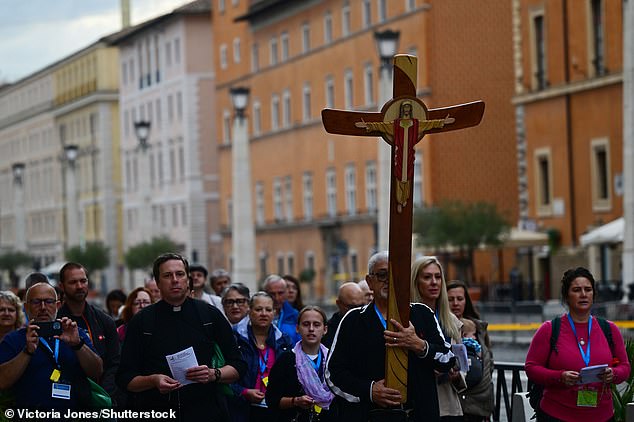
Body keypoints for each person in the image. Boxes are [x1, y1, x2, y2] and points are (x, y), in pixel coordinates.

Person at [326, 251, 454, 422]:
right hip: (370, 414)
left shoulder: (422, 314)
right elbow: (333, 373)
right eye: (382, 275)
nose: (389, 280)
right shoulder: (353, 320)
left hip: (418, 414)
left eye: (396, 275)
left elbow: (448, 359)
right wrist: (369, 390)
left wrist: (419, 345)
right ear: (370, 281)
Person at [117, 252, 245, 421]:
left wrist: (214, 374)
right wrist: (153, 380)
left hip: (206, 412)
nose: (175, 280)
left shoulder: (209, 315)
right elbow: (125, 379)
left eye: (180, 274)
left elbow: (238, 366)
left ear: (187, 280)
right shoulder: (142, 321)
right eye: (168, 275)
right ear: (157, 282)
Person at [525, 267, 630, 422]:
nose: (583, 294)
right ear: (567, 296)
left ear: (593, 294)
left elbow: (625, 367)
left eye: (588, 289)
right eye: (576, 290)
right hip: (557, 415)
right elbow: (531, 367)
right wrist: (559, 377)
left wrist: (612, 374)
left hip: (602, 416)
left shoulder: (609, 329)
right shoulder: (549, 329)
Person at [0, 282, 103, 410]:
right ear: (26, 307)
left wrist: (78, 345)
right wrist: (27, 352)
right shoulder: (14, 339)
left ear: (58, 305)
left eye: (49, 301)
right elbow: (2, 382)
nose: (43, 307)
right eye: (36, 302)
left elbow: (97, 371)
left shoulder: (74, 332)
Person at [57, 262, 123, 407]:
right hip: (64, 400)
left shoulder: (105, 321)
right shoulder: (56, 322)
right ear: (62, 286)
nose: (80, 286)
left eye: (83, 281)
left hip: (100, 400)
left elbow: (114, 363)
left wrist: (105, 394)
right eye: (73, 282)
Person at [411, 256, 465, 421]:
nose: (434, 282)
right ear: (416, 282)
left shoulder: (451, 320)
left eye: (438, 276)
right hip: (418, 405)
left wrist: (456, 374)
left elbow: (461, 364)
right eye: (427, 277)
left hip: (448, 406)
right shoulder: (407, 318)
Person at [266, 306, 337, 422]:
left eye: (317, 324)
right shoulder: (286, 360)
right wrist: (296, 401)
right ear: (297, 328)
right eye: (306, 324)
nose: (311, 329)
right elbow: (271, 400)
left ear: (325, 329)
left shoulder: (334, 360)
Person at [230, 292, 293, 422]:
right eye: (258, 309)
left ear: (274, 313)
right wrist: (244, 392)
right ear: (249, 311)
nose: (263, 313)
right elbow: (225, 376)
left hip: (275, 409)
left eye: (268, 310)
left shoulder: (284, 341)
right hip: (242, 409)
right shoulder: (235, 338)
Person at [447, 280, 494, 422]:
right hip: (455, 405)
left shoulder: (478, 328)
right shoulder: (440, 327)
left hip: (480, 406)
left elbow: (488, 359)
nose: (455, 303)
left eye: (460, 299)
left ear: (466, 301)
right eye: (450, 299)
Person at [322, 282, 365, 348]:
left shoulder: (368, 324)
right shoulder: (328, 331)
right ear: (339, 304)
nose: (357, 311)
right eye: (352, 307)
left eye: (361, 306)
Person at [263, 274, 300, 342]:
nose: (277, 298)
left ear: (286, 292)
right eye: (272, 294)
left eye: (280, 293)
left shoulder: (295, 315)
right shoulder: (258, 315)